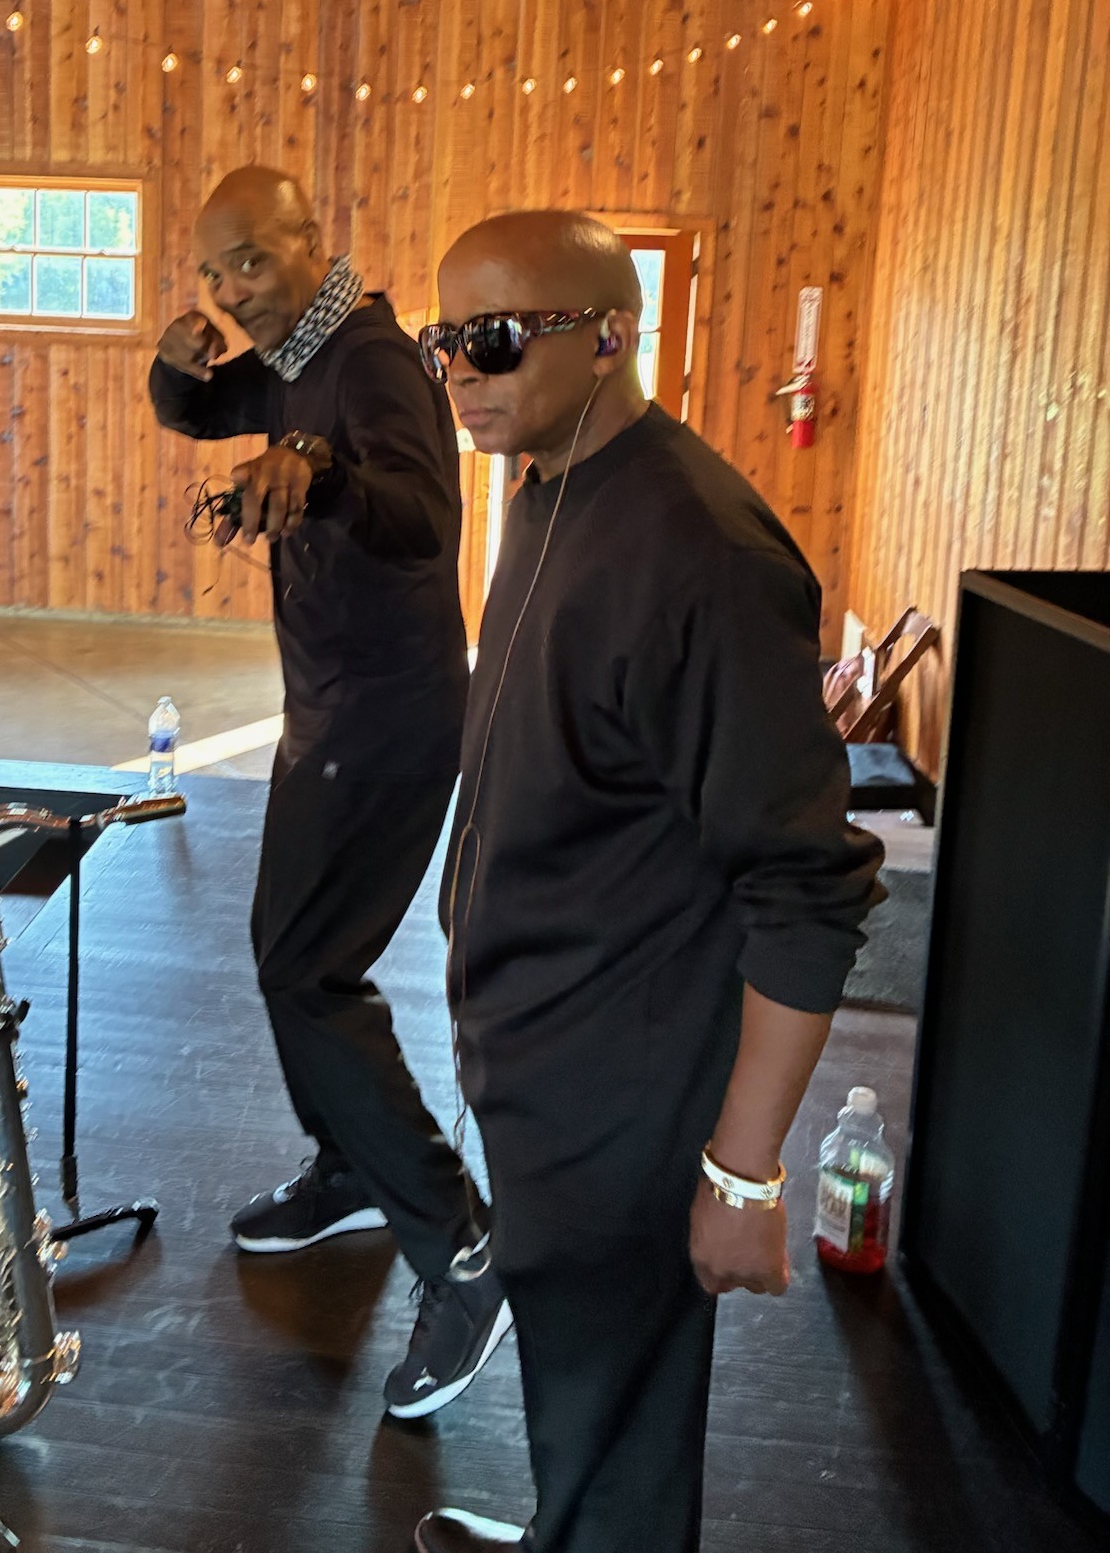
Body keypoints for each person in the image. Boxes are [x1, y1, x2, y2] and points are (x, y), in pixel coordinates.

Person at [410, 211, 884, 1552]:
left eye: (497, 337)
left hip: (622, 1084)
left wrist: (744, 1174)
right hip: (539, 1048)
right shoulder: (548, 487)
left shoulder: (703, 553)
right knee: (583, 1379)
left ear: (610, 335)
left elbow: (808, 890)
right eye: (446, 341)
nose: (463, 371)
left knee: (616, 1404)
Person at [148, 163, 511, 1419]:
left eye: (249, 260)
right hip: (329, 713)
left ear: (313, 238)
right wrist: (174, 364)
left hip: (384, 718)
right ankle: (350, 1165)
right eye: (213, 271)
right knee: (289, 954)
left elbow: (424, 517)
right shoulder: (296, 355)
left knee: (308, 971)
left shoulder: (370, 360)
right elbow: (204, 411)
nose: (230, 289)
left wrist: (329, 472)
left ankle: (461, 1245)